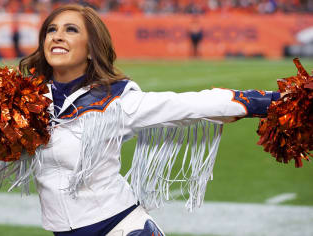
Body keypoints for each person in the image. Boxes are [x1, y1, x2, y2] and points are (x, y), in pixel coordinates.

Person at [18, 4, 281, 236]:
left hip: (122, 228)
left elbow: (189, 105)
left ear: (91, 49)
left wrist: (278, 102)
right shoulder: (27, 100)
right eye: (51, 30)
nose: (58, 36)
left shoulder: (115, 101)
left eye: (71, 30)